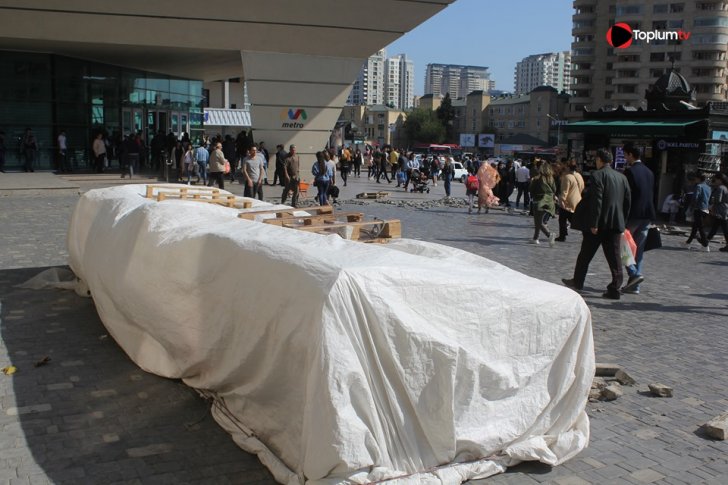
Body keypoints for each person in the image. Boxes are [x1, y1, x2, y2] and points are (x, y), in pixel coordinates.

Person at [562, 149, 631, 300]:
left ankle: (578, 281)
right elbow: (627, 202)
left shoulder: (597, 175)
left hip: (598, 224)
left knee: (585, 254)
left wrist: (594, 223)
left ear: (599, 160)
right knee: (614, 258)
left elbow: (597, 200)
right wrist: (623, 222)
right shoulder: (622, 177)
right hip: (615, 224)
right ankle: (615, 287)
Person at [621, 145, 656, 295]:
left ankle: (634, 273)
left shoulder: (630, 172)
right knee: (639, 251)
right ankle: (635, 286)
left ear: (630, 155)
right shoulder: (649, 172)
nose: (625, 158)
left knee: (624, 247)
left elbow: (627, 196)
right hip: (647, 215)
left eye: (625, 155)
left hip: (633, 215)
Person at [528, 162, 557, 246]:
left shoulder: (537, 178)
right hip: (550, 203)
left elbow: (531, 190)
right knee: (538, 221)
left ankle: (549, 235)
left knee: (538, 222)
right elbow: (554, 190)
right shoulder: (551, 179)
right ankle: (535, 238)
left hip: (539, 201)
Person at [556, 160, 585, 242]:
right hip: (577, 200)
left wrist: (562, 200)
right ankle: (584, 233)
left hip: (568, 202)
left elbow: (565, 190)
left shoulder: (567, 177)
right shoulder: (579, 175)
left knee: (563, 219)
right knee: (573, 218)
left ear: (568, 168)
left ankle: (562, 236)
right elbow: (582, 187)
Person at [683, 172, 711, 251]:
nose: (694, 180)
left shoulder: (698, 186)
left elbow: (695, 198)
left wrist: (691, 207)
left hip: (698, 208)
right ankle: (688, 242)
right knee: (695, 226)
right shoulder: (708, 187)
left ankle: (705, 245)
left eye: (695, 178)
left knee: (700, 227)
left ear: (698, 179)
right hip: (705, 209)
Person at [706, 172, 728, 252]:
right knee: (719, 227)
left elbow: (718, 200)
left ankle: (706, 240)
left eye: (716, 179)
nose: (715, 181)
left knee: (721, 228)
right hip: (724, 209)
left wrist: (712, 202)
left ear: (720, 180)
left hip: (720, 210)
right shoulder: (725, 187)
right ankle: (706, 240)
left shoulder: (720, 188)